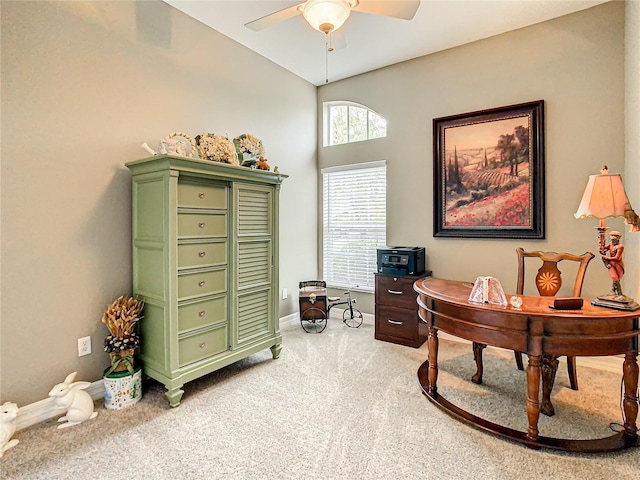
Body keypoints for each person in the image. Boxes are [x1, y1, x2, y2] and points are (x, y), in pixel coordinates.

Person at [601, 230, 625, 296]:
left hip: (618, 264)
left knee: (617, 278)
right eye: (612, 236)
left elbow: (617, 258)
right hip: (611, 264)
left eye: (615, 236)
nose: (613, 238)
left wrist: (607, 258)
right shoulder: (610, 244)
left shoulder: (620, 246)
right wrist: (601, 243)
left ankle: (613, 291)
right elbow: (603, 248)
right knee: (614, 277)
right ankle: (620, 293)